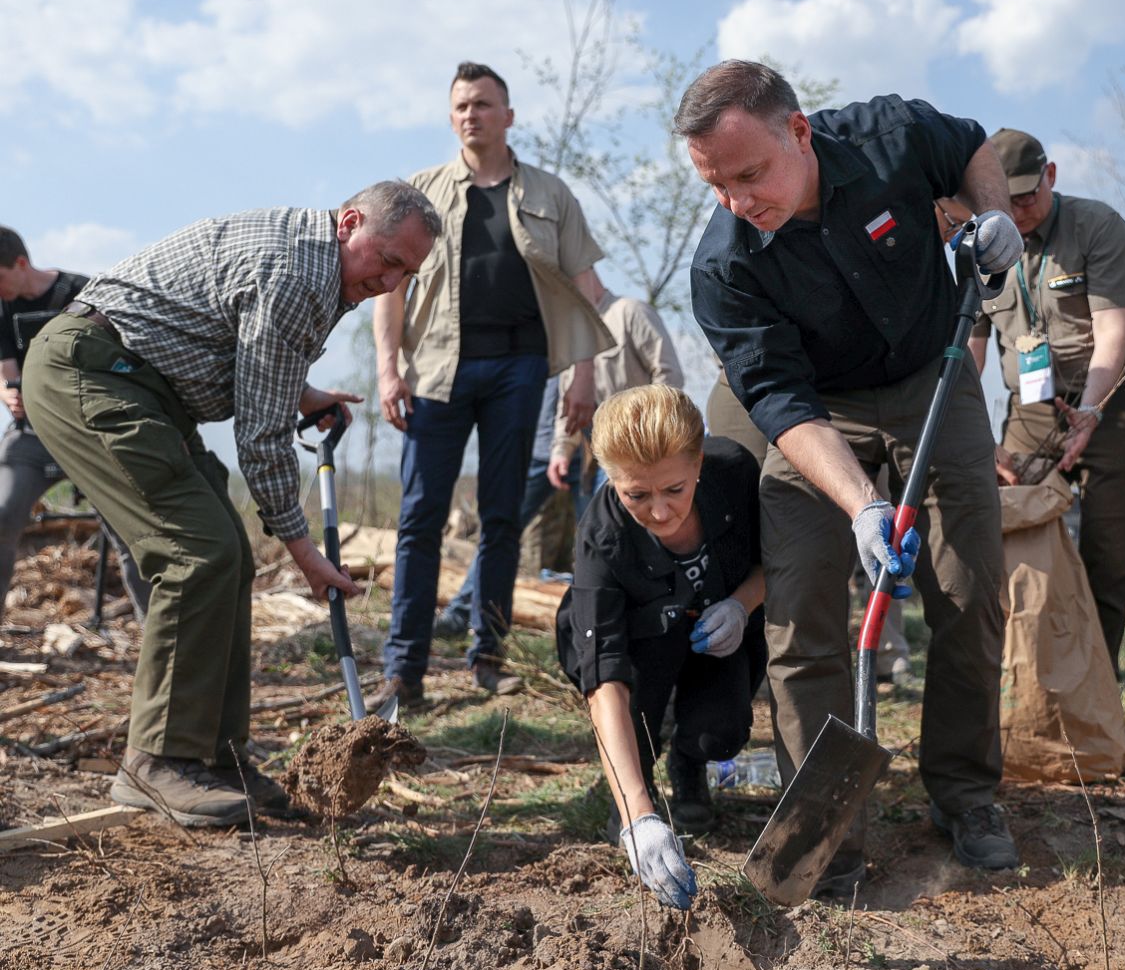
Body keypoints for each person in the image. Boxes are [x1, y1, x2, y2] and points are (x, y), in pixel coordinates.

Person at [679, 59, 1025, 894]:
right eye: (716, 185)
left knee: (968, 589)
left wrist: (997, 216)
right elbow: (782, 403)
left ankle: (965, 792)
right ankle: (826, 827)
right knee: (800, 613)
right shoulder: (725, 266)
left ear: (799, 131)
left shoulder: (888, 134)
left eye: (750, 173)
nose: (738, 201)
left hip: (928, 377)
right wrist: (863, 504)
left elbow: (970, 148)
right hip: (816, 417)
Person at [24, 181, 439, 827]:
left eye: (405, 273)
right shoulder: (302, 271)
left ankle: (214, 756)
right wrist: (304, 551)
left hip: (142, 384)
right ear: (349, 221)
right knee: (197, 551)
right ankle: (156, 760)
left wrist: (304, 393)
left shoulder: (314, 262)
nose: (388, 281)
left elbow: (247, 357)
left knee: (228, 555)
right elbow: (261, 434)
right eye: (385, 259)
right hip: (92, 370)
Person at [373, 61, 611, 707]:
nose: (470, 114)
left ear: (509, 115)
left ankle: (488, 657)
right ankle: (405, 669)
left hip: (520, 368)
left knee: (503, 517)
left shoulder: (551, 194)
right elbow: (387, 287)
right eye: (460, 106)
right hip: (437, 371)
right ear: (451, 118)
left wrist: (582, 377)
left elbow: (587, 291)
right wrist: (388, 369)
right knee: (420, 520)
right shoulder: (419, 192)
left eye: (482, 103)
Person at [555, 385, 765, 911]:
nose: (661, 512)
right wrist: (637, 814)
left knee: (721, 732)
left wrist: (741, 604)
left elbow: (781, 561)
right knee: (634, 729)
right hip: (639, 643)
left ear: (697, 461)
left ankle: (689, 763)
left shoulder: (736, 473)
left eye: (674, 488)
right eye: (637, 496)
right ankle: (636, 785)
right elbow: (602, 675)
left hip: (718, 632)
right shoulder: (602, 537)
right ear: (610, 478)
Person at [973, 129, 1125, 674]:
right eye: (1007, 200)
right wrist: (977, 437)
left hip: (1112, 400)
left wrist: (1093, 411)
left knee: (1111, 550)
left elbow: (1113, 332)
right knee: (1014, 533)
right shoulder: (982, 244)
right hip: (1031, 409)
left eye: (1028, 196)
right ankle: (1026, 678)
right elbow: (968, 352)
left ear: (1051, 176)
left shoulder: (1095, 226)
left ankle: (1096, 685)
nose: (1020, 211)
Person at [436, 287, 684, 635]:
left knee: (605, 541)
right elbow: (571, 401)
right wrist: (560, 451)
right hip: (565, 447)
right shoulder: (562, 327)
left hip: (623, 456)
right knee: (502, 526)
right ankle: (463, 612)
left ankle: (626, 625)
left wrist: (651, 442)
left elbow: (669, 377)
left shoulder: (629, 314)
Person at [0, 228, 150, 621]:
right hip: (31, 437)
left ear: (20, 263)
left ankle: (163, 636)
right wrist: (8, 393)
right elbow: (7, 373)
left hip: (89, 435)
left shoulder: (82, 292)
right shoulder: (1, 306)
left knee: (129, 527)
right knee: (2, 512)